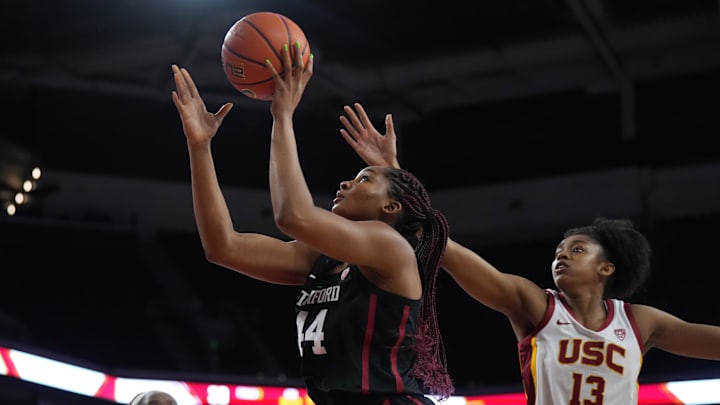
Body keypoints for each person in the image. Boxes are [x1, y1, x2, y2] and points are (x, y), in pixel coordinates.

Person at [338, 102, 720, 404]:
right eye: (559, 250)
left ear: (607, 267)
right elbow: (444, 247)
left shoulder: (640, 322)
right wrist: (394, 178)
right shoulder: (536, 306)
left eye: (577, 249)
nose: (562, 256)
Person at [170, 43, 454, 404]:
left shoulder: (390, 247)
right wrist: (199, 146)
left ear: (391, 207)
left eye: (364, 179)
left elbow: (293, 215)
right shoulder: (323, 260)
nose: (346, 183)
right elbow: (223, 247)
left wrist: (283, 115)